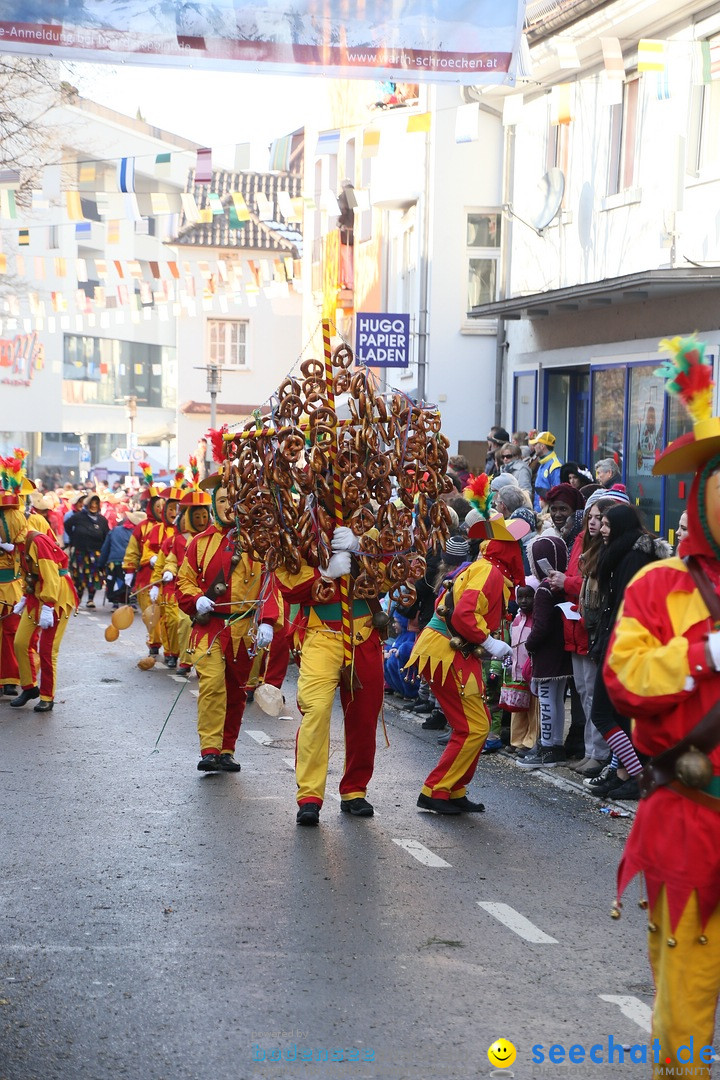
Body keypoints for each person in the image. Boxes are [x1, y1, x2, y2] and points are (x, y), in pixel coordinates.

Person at [605, 335, 720, 1077]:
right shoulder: (660, 586)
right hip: (692, 812)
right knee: (685, 1001)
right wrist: (702, 655)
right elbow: (623, 677)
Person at [407, 497, 529, 814]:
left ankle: (454, 789)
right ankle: (436, 790)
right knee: (473, 727)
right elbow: (463, 616)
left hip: (451, 650)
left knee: (476, 723)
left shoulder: (485, 568)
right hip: (449, 651)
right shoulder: (489, 572)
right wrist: (491, 643)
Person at [274, 522, 389, 825]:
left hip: (363, 633)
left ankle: (354, 790)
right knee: (316, 711)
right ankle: (310, 796)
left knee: (364, 716)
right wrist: (324, 574)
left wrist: (362, 544)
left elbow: (394, 573)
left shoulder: (374, 528)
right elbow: (286, 586)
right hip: (321, 635)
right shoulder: (300, 529)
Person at [177, 474, 280, 773]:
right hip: (211, 628)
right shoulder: (200, 543)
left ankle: (226, 749)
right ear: (214, 504)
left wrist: (268, 621)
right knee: (211, 686)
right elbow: (184, 580)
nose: (228, 506)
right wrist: (196, 599)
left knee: (237, 691)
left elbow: (270, 584)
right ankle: (209, 749)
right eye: (222, 500)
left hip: (244, 629)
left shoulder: (259, 543)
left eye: (234, 500)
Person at [586, 503, 672, 800]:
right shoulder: (622, 553)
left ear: (621, 526)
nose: (602, 530)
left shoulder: (632, 558)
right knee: (621, 716)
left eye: (607, 524)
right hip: (615, 641)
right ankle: (624, 772)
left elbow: (627, 610)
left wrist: (612, 646)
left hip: (623, 645)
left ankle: (638, 775)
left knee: (602, 714)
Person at [10, 518, 78, 712]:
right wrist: (25, 596)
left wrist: (48, 605)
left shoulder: (37, 541)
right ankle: (29, 687)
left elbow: (51, 575)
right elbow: (29, 574)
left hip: (56, 597)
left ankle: (47, 696)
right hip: (36, 595)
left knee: (47, 650)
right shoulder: (18, 545)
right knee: (20, 642)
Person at [517, 534, 572, 769]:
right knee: (557, 700)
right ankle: (554, 744)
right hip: (562, 653)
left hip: (546, 656)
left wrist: (529, 645)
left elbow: (541, 627)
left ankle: (548, 747)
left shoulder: (542, 590)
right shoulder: (561, 586)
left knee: (547, 701)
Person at [159, 483, 211, 676]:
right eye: (197, 516)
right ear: (189, 517)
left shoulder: (213, 538)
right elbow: (172, 560)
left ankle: (204, 664)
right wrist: (168, 570)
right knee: (183, 624)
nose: (201, 520)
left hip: (209, 590)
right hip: (187, 588)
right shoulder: (180, 540)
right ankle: (186, 661)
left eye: (204, 516)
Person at [122, 464, 167, 657]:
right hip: (145, 578)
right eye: (157, 506)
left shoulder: (171, 527)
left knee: (166, 614)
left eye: (163, 506)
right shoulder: (141, 527)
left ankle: (170, 647)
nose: (161, 509)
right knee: (150, 614)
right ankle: (154, 642)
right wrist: (129, 571)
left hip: (165, 578)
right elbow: (132, 551)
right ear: (151, 507)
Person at [505, 583, 539, 753]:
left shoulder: (537, 619)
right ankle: (516, 740)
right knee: (518, 708)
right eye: (520, 597)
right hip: (517, 671)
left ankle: (531, 741)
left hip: (532, 671)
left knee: (533, 709)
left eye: (528, 597)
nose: (524, 601)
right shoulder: (517, 619)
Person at [66, 492, 109, 608]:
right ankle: (78, 597)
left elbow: (107, 535)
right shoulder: (79, 517)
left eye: (96, 503)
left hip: (95, 552)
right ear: (88, 504)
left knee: (94, 576)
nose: (94, 505)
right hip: (80, 551)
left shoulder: (102, 520)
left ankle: (91, 599)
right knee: (79, 577)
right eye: (92, 503)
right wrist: (73, 537)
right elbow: (67, 525)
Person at [529, 432, 562, 512]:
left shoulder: (555, 465)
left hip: (548, 515)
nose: (534, 447)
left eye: (535, 444)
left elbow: (558, 493)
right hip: (539, 512)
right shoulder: (543, 463)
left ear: (542, 446)